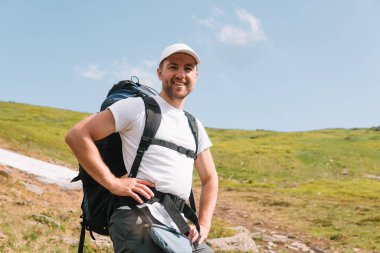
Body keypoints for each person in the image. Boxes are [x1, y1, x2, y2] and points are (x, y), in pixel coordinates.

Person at [65, 43, 218, 252]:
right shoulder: (137, 108)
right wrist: (112, 183)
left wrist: (204, 223)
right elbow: (77, 135)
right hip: (135, 215)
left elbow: (210, 178)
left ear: (196, 76)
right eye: (173, 67)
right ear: (160, 72)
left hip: (176, 224)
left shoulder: (194, 126)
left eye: (188, 68)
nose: (181, 74)